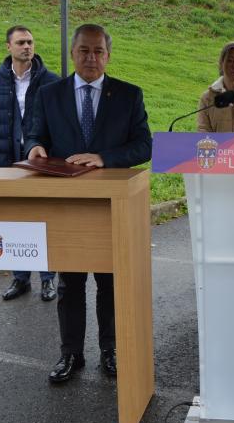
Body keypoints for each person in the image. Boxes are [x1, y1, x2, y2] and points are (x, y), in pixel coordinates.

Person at [26, 24, 152, 381]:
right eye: (84, 51)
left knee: (110, 281)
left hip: (111, 205)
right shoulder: (50, 94)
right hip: (68, 206)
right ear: (72, 53)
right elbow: (36, 135)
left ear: (108, 56)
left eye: (98, 51)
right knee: (71, 283)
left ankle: (111, 351)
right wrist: (34, 147)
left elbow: (145, 145)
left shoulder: (128, 95)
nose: (91, 58)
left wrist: (103, 157)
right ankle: (71, 354)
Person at [0, 25, 59, 302]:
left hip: (39, 164)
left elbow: (60, 124)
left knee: (42, 218)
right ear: (8, 47)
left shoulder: (51, 81)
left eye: (31, 42)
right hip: (4, 161)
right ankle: (20, 278)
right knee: (12, 219)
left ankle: (48, 279)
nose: (27, 47)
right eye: (21, 42)